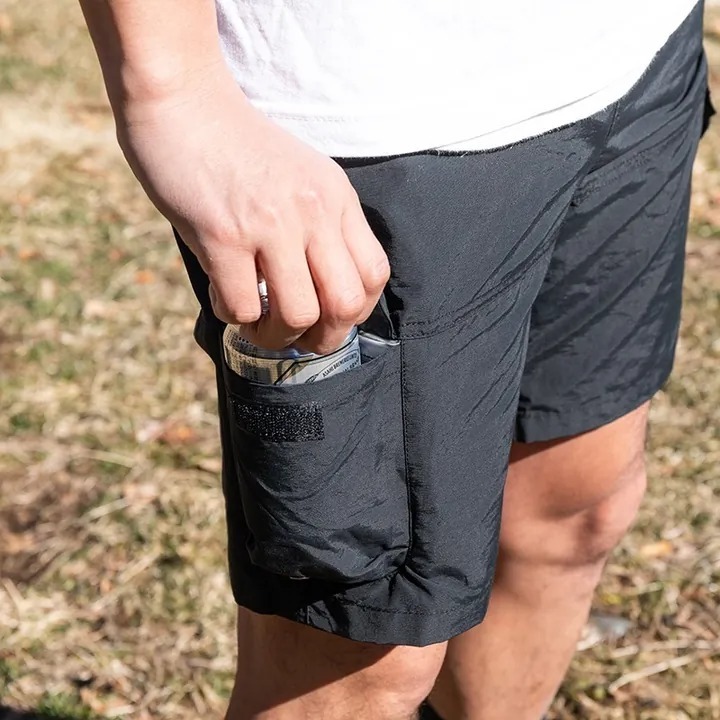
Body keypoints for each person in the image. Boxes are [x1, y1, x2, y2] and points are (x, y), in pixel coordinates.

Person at [78, 1, 712, 718]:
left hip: (634, 58)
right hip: (370, 115)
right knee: (357, 645)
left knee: (571, 508)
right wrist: (172, 88)